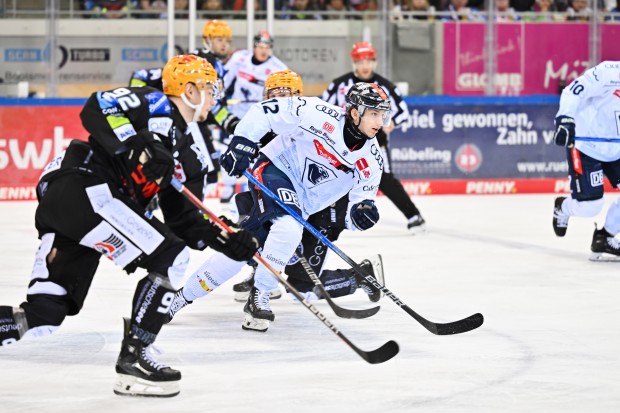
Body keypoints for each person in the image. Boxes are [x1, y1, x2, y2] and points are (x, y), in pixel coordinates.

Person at [0, 55, 259, 397]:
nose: (215, 98)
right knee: (171, 257)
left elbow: (183, 220)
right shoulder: (153, 101)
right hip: (83, 186)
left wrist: (226, 240)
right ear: (190, 89)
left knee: (44, 313)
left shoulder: (192, 154)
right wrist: (137, 142)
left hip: (84, 212)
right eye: (211, 89)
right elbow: (97, 106)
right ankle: (135, 356)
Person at [165, 81, 391, 332]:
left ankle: (178, 299)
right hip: (275, 169)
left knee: (245, 246)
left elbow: (359, 205)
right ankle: (260, 295)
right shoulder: (318, 113)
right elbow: (265, 111)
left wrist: (361, 217)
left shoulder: (372, 160)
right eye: (374, 113)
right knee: (289, 227)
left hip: (303, 203)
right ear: (354, 112)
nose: (380, 121)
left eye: (382, 114)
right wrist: (242, 142)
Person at [230, 69, 385, 304]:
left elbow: (360, 194)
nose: (278, 100)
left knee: (302, 289)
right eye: (273, 94)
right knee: (246, 207)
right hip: (295, 198)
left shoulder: (304, 117)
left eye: (285, 94)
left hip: (324, 210)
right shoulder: (264, 126)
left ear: (296, 96)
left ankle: (360, 276)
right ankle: (261, 271)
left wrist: (361, 213)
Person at [321, 41, 426, 234]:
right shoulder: (339, 84)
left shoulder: (384, 86)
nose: (365, 65)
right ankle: (328, 221)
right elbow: (323, 107)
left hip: (375, 141)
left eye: (369, 61)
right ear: (354, 63)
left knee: (384, 178)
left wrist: (392, 120)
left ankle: (414, 216)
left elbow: (403, 111)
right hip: (341, 142)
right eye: (361, 61)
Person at [551, 61, 620, 261]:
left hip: (616, 149)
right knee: (591, 207)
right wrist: (565, 120)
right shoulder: (608, 72)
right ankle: (562, 207)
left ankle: (604, 237)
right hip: (586, 147)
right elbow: (573, 91)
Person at [220, 30, 288, 203]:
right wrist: (220, 99)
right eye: (260, 46)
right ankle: (227, 186)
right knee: (230, 145)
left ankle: (254, 186)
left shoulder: (278, 68)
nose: (263, 50)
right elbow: (224, 80)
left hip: (260, 114)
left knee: (256, 149)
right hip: (238, 110)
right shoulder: (239, 58)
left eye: (267, 46)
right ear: (254, 46)